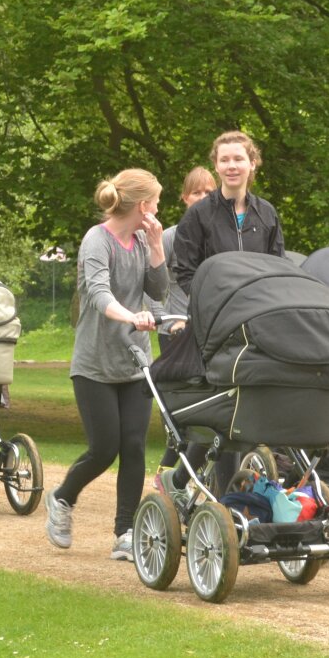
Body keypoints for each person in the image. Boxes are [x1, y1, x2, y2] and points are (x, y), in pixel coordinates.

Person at [44, 169, 167, 561]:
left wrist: (158, 245)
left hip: (134, 363)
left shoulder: (141, 241)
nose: (159, 208)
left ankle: (125, 533)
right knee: (103, 449)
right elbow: (98, 293)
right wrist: (132, 317)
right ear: (143, 205)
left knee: (133, 446)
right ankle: (62, 499)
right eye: (158, 201)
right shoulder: (97, 240)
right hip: (95, 364)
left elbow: (159, 291)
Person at [158, 131, 284, 505]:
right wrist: (217, 302)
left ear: (252, 163)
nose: (232, 166)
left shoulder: (267, 213)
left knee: (242, 414)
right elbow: (185, 270)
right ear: (216, 165)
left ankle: (181, 480)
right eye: (224, 160)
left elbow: (277, 269)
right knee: (227, 412)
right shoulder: (198, 214)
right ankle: (226, 506)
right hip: (213, 328)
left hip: (255, 328)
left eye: (238, 159)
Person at [147, 166, 215, 472]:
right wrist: (162, 318)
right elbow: (151, 283)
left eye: (209, 192)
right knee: (182, 407)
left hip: (213, 330)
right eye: (197, 192)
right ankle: (168, 470)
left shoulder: (223, 237)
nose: (203, 198)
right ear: (185, 198)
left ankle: (194, 473)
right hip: (177, 331)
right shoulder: (172, 237)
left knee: (214, 406)